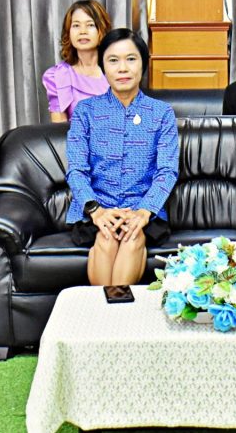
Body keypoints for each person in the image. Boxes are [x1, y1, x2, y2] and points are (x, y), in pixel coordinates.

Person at [65, 28, 179, 286]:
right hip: (96, 208)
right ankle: (110, 309)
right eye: (113, 60)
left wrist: (144, 211)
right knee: (106, 238)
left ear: (143, 64)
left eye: (131, 59)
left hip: (144, 209)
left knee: (132, 236)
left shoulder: (161, 113)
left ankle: (111, 308)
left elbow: (167, 171)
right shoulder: (85, 111)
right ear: (103, 67)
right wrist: (96, 211)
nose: (123, 68)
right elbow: (76, 170)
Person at [42, 0, 112, 121]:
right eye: (76, 25)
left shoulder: (117, 71)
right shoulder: (57, 76)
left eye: (90, 25)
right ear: (68, 32)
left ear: (102, 29)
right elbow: (59, 129)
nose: (82, 32)